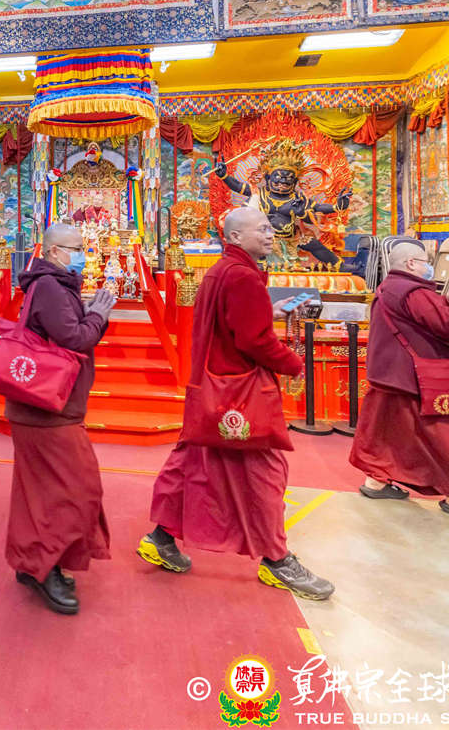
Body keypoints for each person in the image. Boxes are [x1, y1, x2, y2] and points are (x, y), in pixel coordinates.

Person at [140, 208, 335, 600]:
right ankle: (277, 560)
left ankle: (161, 537)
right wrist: (292, 363)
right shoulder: (243, 275)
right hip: (238, 393)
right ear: (234, 236)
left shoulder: (221, 271)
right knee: (266, 472)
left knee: (195, 463)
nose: (271, 234)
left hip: (210, 388)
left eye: (269, 228)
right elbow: (253, 340)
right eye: (261, 229)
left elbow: (232, 322)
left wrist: (267, 311)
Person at [4, 223, 114, 615]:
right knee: (74, 489)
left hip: (43, 406)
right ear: (53, 252)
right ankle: (45, 564)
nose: (83, 254)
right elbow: (75, 338)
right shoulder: (50, 286)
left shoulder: (54, 284)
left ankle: (30, 561)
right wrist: (98, 315)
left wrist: (91, 312)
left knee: (38, 490)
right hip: (48, 409)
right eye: (77, 248)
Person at [349, 241, 449, 521]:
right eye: (425, 261)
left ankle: (376, 480)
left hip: (389, 374)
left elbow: (422, 317)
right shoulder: (413, 290)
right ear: (411, 264)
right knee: (442, 438)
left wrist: (448, 300)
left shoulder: (391, 286)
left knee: (386, 431)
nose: (428, 266)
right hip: (416, 376)